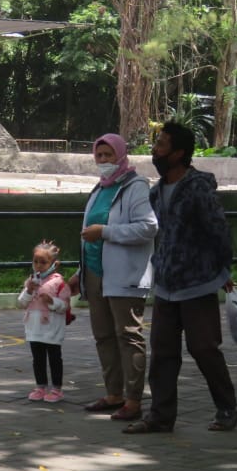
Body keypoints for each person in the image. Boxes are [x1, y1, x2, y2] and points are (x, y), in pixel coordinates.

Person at [124, 121, 237, 434]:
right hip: (166, 283)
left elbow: (219, 231)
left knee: (204, 347)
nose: (155, 150)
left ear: (178, 153)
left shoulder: (198, 189)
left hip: (197, 282)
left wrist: (223, 270)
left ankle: (228, 406)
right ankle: (161, 417)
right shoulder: (156, 192)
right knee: (163, 352)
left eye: (161, 145)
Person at [68, 134, 157, 422]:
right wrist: (81, 272)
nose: (104, 161)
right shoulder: (99, 189)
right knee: (103, 336)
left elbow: (148, 227)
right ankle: (113, 393)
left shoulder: (136, 187)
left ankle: (133, 400)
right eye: (99, 156)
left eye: (109, 155)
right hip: (95, 274)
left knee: (128, 335)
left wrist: (105, 232)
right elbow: (90, 238)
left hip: (124, 276)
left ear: (121, 156)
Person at [18, 239, 72, 403]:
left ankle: (57, 388)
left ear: (54, 264)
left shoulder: (59, 282)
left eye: (43, 262)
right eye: (36, 261)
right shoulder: (32, 281)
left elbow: (65, 306)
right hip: (34, 328)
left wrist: (52, 301)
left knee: (55, 358)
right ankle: (40, 386)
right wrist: (28, 290)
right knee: (38, 358)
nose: (39, 265)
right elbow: (22, 302)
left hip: (52, 328)